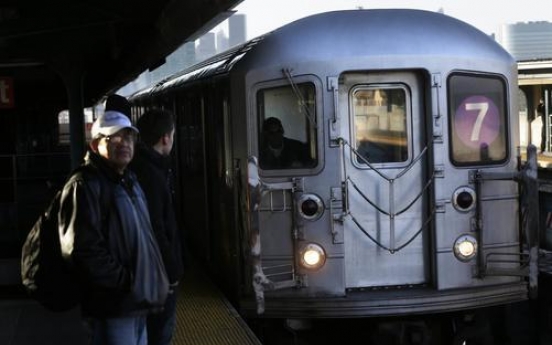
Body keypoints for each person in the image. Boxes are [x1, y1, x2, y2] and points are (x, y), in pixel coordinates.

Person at [59, 109, 169, 345]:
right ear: (95, 144)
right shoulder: (85, 184)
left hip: (136, 303)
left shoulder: (129, 180)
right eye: (113, 138)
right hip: (112, 307)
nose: (124, 143)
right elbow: (82, 250)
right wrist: (126, 281)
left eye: (128, 137)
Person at [130, 108, 184, 345]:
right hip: (157, 274)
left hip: (150, 271)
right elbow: (156, 227)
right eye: (172, 134)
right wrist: (171, 271)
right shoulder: (151, 173)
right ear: (166, 138)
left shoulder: (144, 166)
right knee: (160, 333)